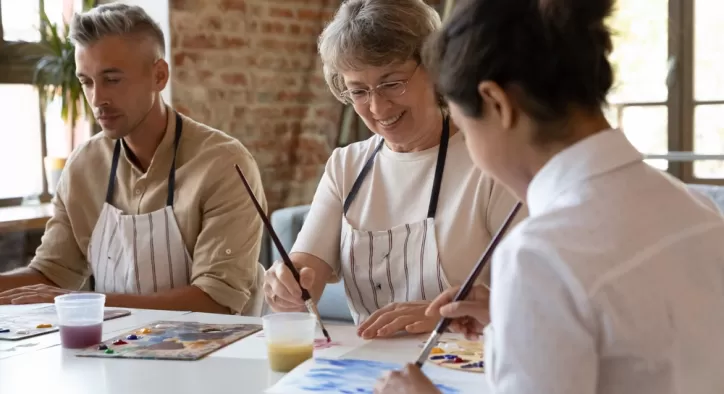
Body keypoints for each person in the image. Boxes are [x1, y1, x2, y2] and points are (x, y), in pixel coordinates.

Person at [374, 0, 724, 393]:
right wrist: (520, 320)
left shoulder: (539, 255)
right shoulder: (698, 209)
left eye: (465, 128)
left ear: (497, 104)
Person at [263, 0, 524, 340]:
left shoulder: (488, 163)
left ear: (433, 69)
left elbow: (537, 299)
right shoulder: (347, 165)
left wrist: (444, 317)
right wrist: (288, 283)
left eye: (392, 83)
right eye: (358, 91)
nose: (377, 107)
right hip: (365, 367)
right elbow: (305, 266)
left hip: (464, 367)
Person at [0, 4, 266, 315]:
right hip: (111, 355)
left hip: (215, 356)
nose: (98, 99)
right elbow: (51, 272)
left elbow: (215, 302)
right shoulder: (83, 167)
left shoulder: (224, 164)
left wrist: (81, 304)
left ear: (159, 76)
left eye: (112, 79)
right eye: (86, 82)